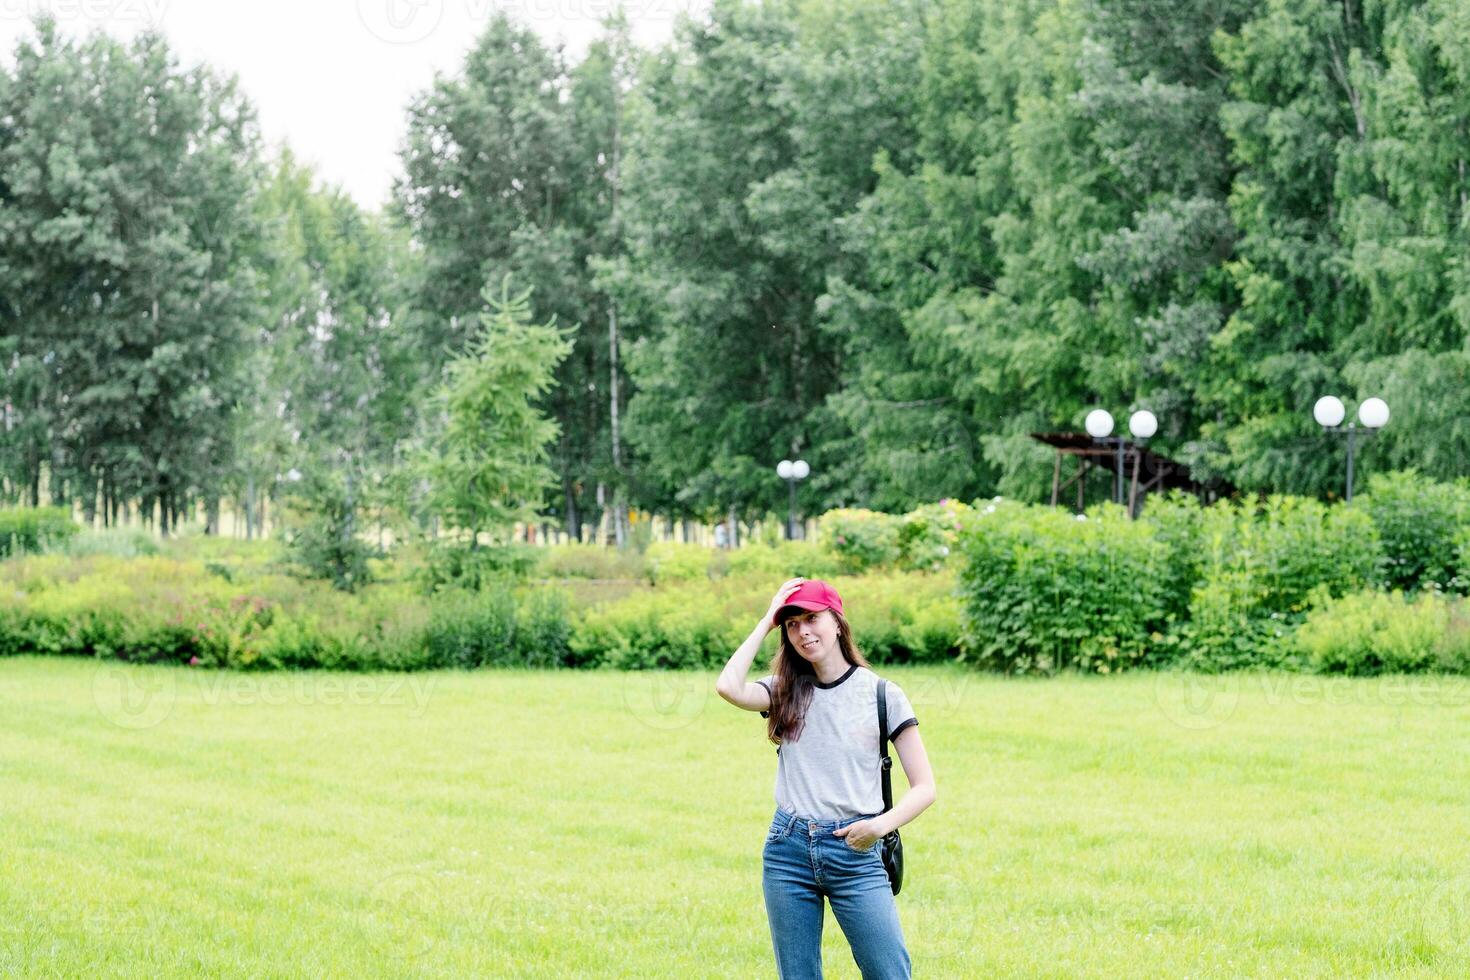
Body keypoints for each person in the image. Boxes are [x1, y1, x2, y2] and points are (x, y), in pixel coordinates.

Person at [715, 578, 937, 979]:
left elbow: (925, 787)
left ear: (837, 623)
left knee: (890, 971)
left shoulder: (882, 695)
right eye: (792, 624)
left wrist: (878, 827)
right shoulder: (784, 690)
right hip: (788, 850)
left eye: (812, 619)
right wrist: (767, 619)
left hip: (856, 850)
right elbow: (727, 687)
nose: (803, 631)